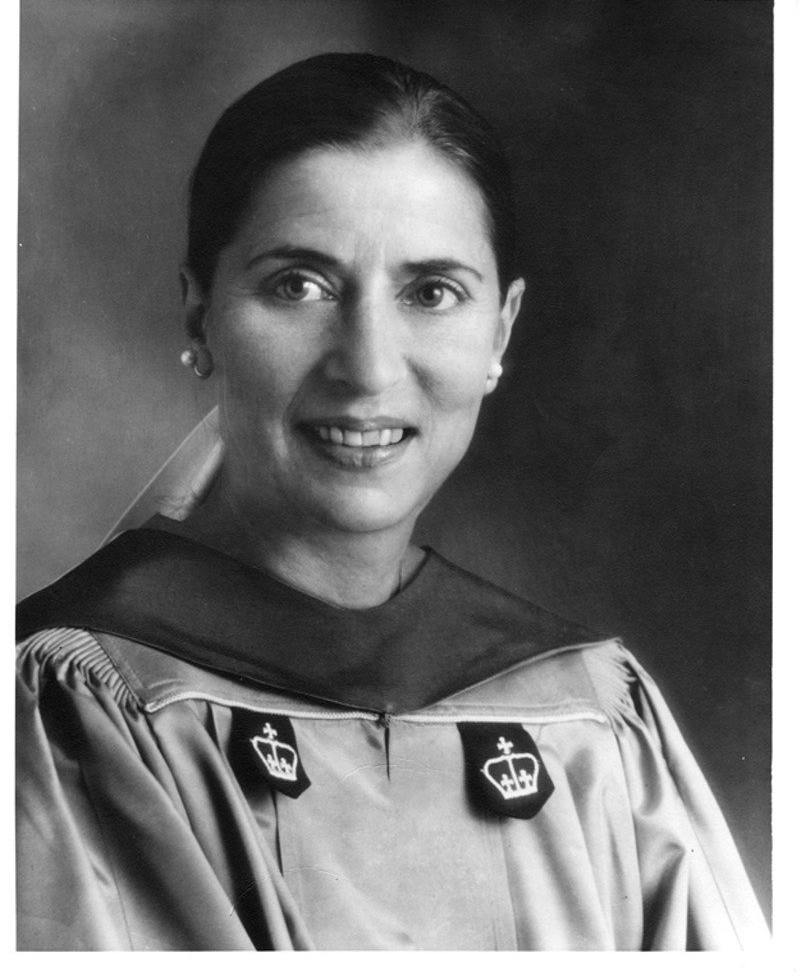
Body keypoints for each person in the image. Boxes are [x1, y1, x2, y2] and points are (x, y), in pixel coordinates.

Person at [15, 52, 768, 951]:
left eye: (431, 292)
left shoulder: (589, 713)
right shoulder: (77, 706)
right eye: (299, 285)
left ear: (501, 331)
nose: (368, 367)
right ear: (199, 314)